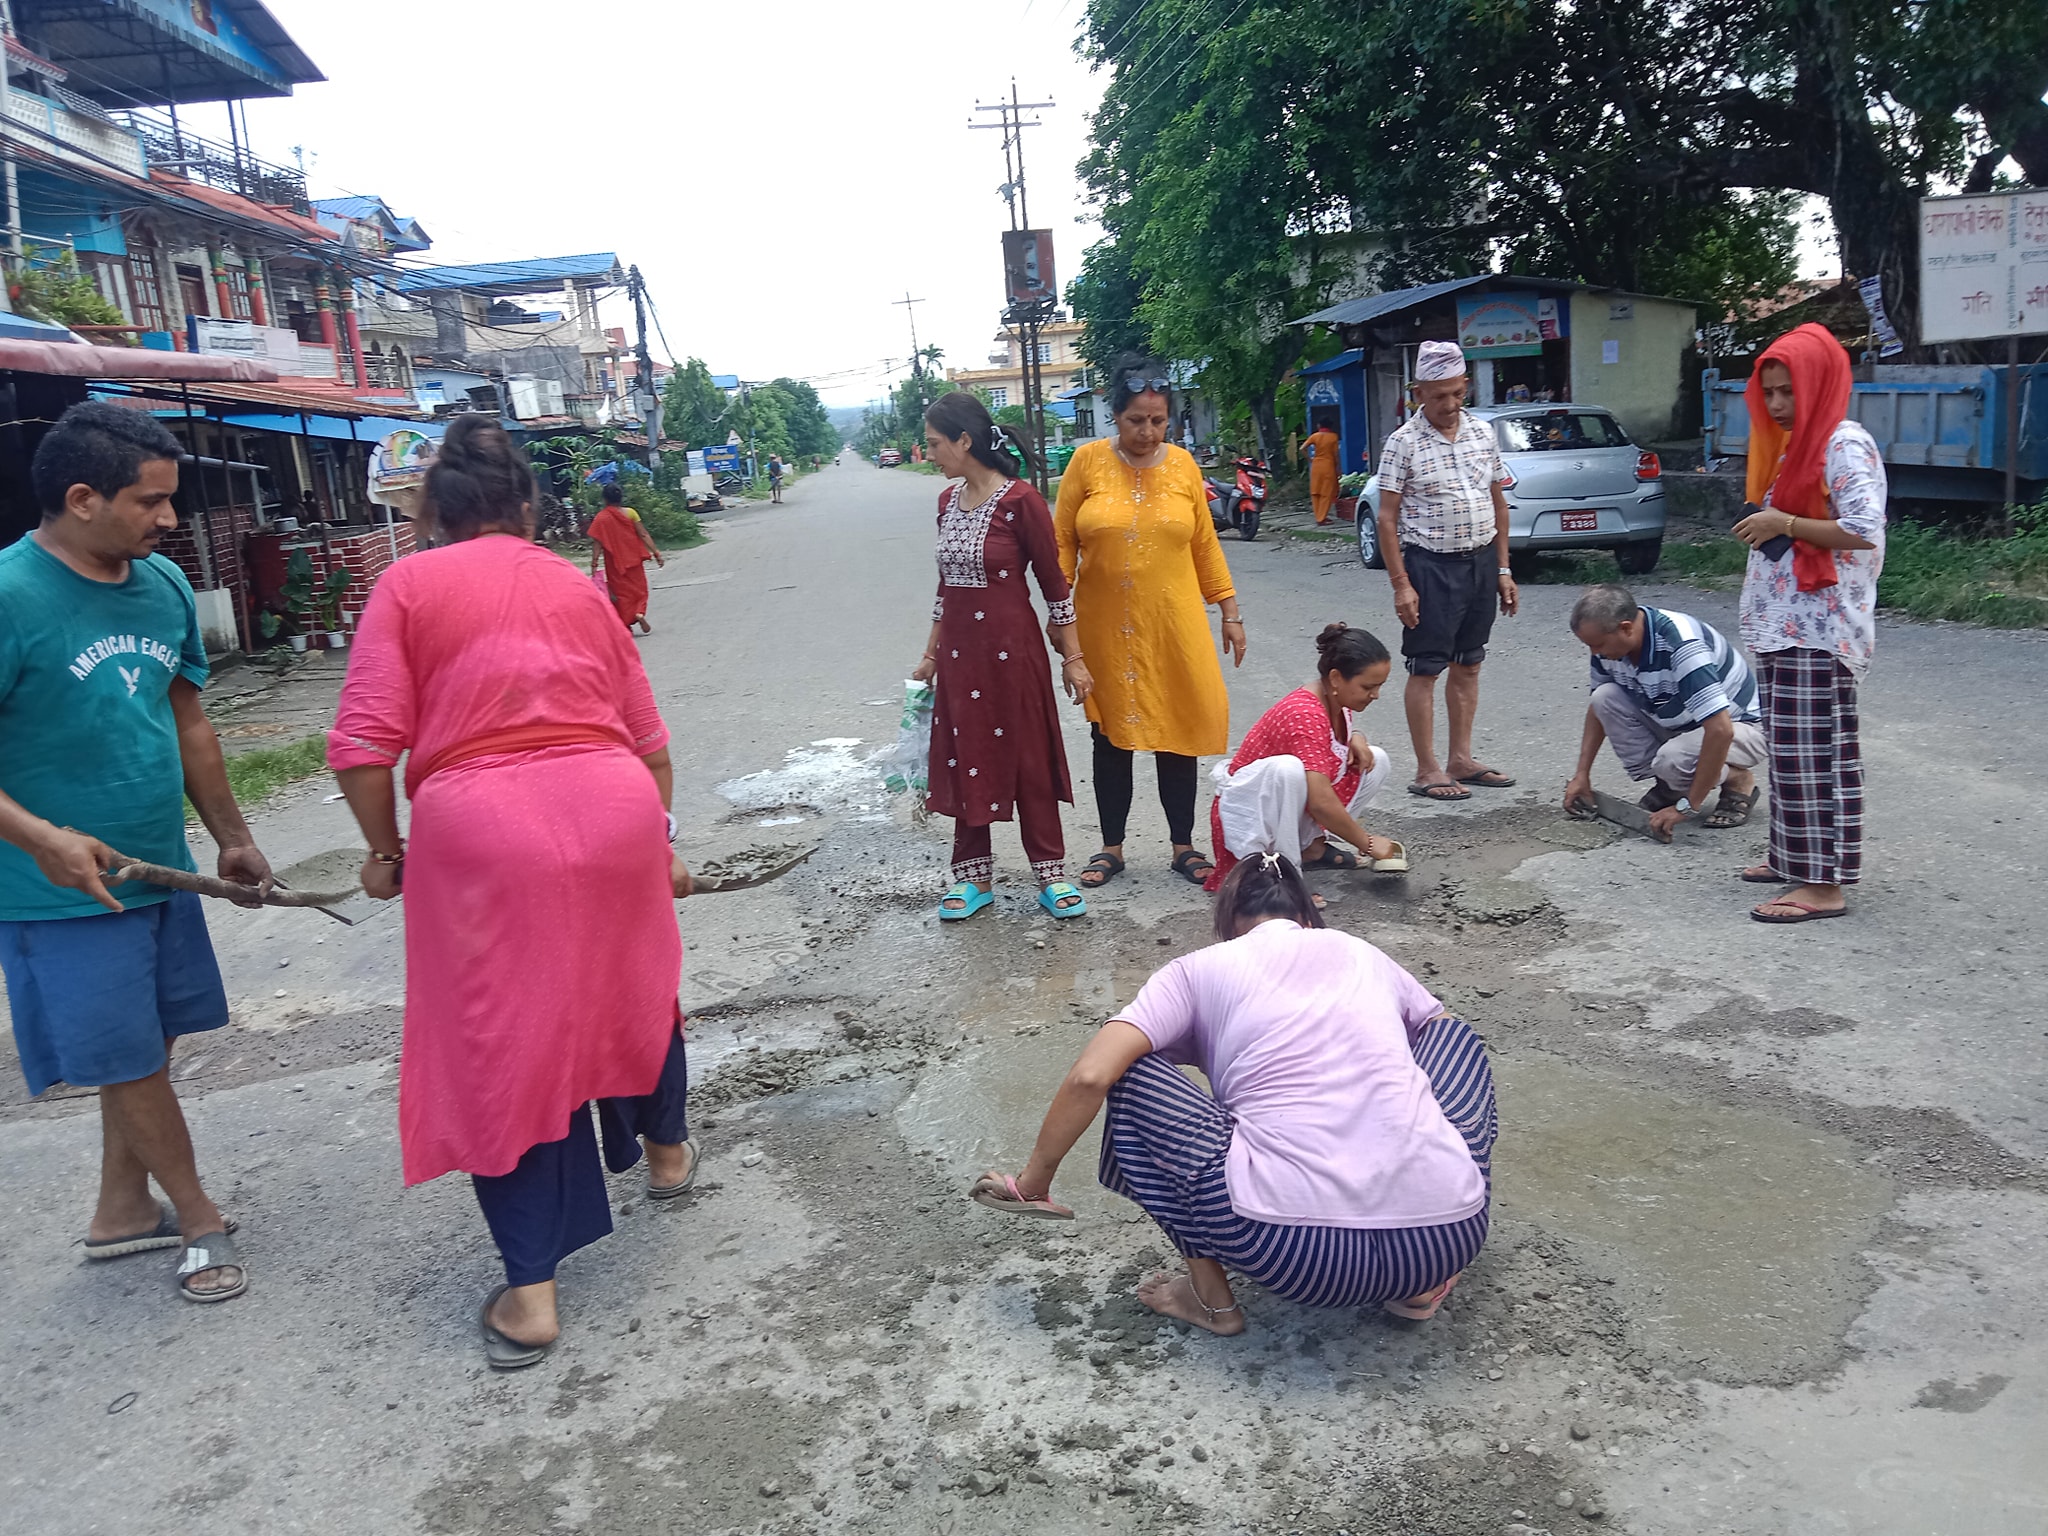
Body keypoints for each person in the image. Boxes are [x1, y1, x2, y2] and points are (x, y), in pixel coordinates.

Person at [329, 415, 695, 1370]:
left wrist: (384, 852)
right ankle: (666, 1157)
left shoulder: (406, 585)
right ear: (529, 507)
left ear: (432, 514)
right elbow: (649, 742)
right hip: (612, 807)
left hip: (480, 833)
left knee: (502, 1040)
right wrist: (658, 842)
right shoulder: (574, 587)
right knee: (633, 986)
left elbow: (364, 749)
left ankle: (532, 1297)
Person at [971, 853, 1495, 1331]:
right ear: (1307, 917)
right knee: (1450, 1033)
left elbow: (1091, 1076)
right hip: (1450, 1237)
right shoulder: (1359, 952)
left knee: (1128, 1071)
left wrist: (1033, 1182)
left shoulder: (1196, 969)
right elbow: (1433, 1029)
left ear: (1228, 925)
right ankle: (1420, 1287)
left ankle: (1215, 1304)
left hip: (1298, 1261)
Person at [0, 401, 273, 1304]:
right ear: (82, 498)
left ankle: (122, 1210)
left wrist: (231, 838)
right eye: (151, 501)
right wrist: (42, 836)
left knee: (142, 1046)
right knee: (128, 1058)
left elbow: (187, 719)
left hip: (157, 866)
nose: (169, 520)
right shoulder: (9, 595)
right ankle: (199, 1216)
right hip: (61, 890)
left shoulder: (159, 589)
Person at [1054, 354, 1244, 889]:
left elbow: (1205, 544)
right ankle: (1111, 847)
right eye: (1137, 419)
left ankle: (1183, 847)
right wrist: (1057, 612)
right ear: (1115, 414)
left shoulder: (1184, 466)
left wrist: (1229, 610)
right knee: (1109, 733)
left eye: (1158, 420)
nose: (1148, 431)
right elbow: (1062, 543)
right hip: (1102, 625)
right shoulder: (1086, 463)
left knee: (1178, 728)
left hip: (1172, 621)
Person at [911, 391, 1094, 922]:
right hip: (960, 656)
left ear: (965, 441)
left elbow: (1055, 586)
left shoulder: (1022, 502)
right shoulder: (946, 504)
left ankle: (1050, 873)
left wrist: (1073, 657)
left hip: (1012, 653)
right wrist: (929, 654)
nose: (931, 454)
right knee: (964, 753)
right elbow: (946, 587)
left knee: (1027, 755)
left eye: (936, 444)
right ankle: (973, 877)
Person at [1730, 323, 1886, 924]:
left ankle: (1824, 883)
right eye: (1768, 393)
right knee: (1791, 754)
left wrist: (1785, 524)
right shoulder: (1798, 443)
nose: (1775, 405)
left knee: (1817, 755)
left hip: (1819, 631)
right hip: (1786, 627)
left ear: (1817, 384)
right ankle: (1793, 857)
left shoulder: (1841, 442)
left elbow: (1862, 528)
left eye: (1787, 391)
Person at [1375, 340, 1519, 802]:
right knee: (1427, 669)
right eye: (1439, 396)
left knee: (1469, 663)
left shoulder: (1481, 433)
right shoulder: (1402, 443)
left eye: (1458, 393)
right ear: (1418, 392)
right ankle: (1427, 768)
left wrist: (1503, 569)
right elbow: (1386, 518)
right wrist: (1402, 585)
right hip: (1429, 566)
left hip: (1479, 561)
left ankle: (1461, 759)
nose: (1451, 404)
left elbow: (1498, 501)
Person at [1206, 624, 1404, 894]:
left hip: (1282, 808)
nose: (1376, 695)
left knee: (1375, 759)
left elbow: (1326, 749)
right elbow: (1320, 802)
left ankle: (1312, 847)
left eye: (1379, 686)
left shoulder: (1333, 699)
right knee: (1289, 771)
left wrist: (1355, 736)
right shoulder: (1304, 713)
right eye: (1368, 686)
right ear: (1336, 678)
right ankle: (1283, 877)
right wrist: (1367, 842)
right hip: (1247, 820)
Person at [1561, 585, 1764, 834]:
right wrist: (1582, 775)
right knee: (1604, 697)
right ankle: (1674, 782)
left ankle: (1737, 780)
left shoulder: (1682, 646)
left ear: (1625, 628)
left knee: (1672, 761)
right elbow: (1597, 711)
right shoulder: (1610, 648)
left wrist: (1688, 806)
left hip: (1742, 726)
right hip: (1685, 724)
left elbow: (1720, 730)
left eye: (1598, 644)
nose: (1595, 653)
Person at [587, 482, 664, 635]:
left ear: (604, 499)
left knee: (621, 595)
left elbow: (598, 543)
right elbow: (643, 534)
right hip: (634, 559)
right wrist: (656, 553)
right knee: (639, 591)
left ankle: (625, 624)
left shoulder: (601, 518)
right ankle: (639, 613)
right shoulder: (630, 513)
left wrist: (594, 563)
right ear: (621, 497)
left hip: (615, 564)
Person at [1304, 414, 1341, 526]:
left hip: (1316, 465)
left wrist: (1310, 459)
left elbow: (1302, 448)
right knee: (1326, 492)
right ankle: (1322, 518)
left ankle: (1318, 516)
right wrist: (1338, 467)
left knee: (1315, 492)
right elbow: (1336, 454)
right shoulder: (1333, 437)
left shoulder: (1314, 436)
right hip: (1328, 465)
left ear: (1319, 425)